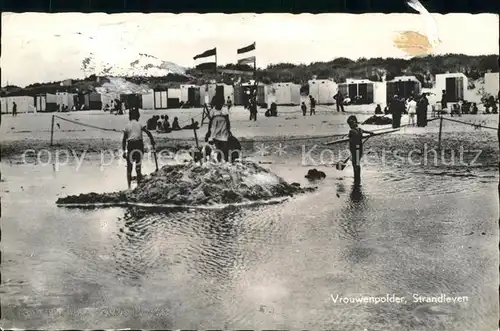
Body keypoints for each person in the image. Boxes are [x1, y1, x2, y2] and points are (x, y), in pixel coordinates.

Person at [122, 108, 156, 189]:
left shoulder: (127, 126)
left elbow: (124, 140)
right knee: (138, 167)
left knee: (129, 168)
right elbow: (149, 133)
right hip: (139, 145)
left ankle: (129, 187)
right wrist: (152, 140)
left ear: (129, 117)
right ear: (138, 117)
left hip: (131, 145)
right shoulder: (140, 124)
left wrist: (124, 151)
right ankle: (139, 187)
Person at [347, 115, 374, 185]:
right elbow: (367, 132)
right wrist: (371, 133)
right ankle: (358, 178)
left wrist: (351, 151)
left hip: (354, 149)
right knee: (357, 163)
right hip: (359, 148)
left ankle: (356, 179)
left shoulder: (351, 131)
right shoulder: (359, 129)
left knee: (354, 164)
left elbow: (350, 141)